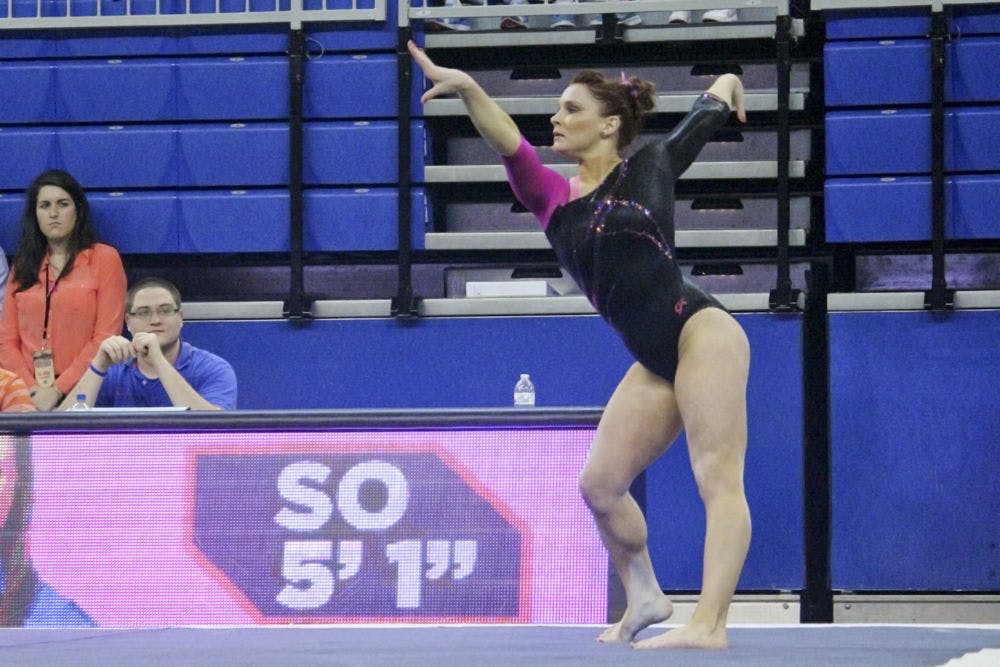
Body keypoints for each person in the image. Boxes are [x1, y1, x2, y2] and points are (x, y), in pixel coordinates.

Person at [408, 41, 751, 650]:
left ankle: (710, 625)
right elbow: (508, 141)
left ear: (609, 124)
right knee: (600, 484)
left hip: (702, 331)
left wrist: (728, 79)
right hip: (654, 359)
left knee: (716, 479)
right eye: (557, 110)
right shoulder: (551, 200)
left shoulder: (651, 164)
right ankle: (644, 594)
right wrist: (466, 87)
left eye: (571, 109)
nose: (557, 120)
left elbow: (708, 110)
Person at [0, 170, 126, 412]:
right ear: (35, 214)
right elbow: (6, 340)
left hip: (88, 388)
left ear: (78, 210)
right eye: (44, 206)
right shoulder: (24, 264)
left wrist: (58, 389)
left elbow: (105, 336)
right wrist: (29, 389)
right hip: (27, 396)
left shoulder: (105, 259)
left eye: (63, 204)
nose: (54, 214)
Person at [61, 277, 237, 411]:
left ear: (180, 317)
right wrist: (97, 366)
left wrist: (158, 361)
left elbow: (214, 430)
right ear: (128, 322)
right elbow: (59, 431)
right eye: (144, 313)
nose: (155, 320)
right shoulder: (112, 370)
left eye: (165, 311)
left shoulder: (213, 368)